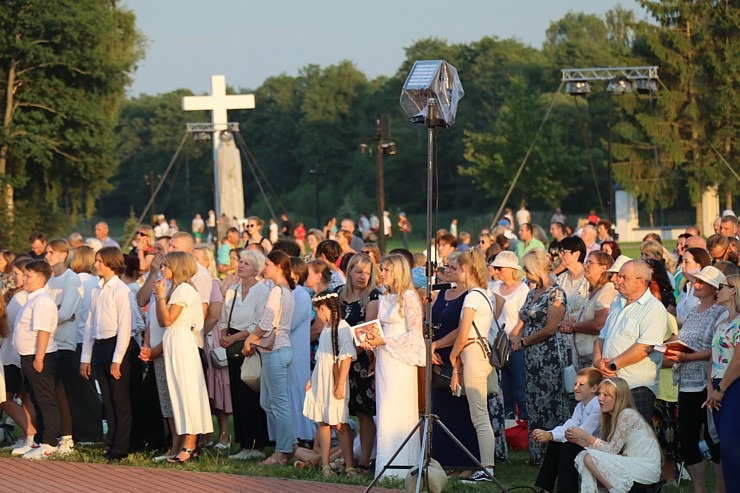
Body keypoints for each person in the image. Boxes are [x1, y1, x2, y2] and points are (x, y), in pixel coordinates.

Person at [360, 254, 425, 479]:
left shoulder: (408, 296)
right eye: (383, 269)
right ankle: (385, 466)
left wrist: (385, 341)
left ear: (398, 272)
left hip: (400, 359)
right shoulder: (386, 297)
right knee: (385, 410)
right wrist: (371, 340)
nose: (383, 273)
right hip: (384, 360)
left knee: (399, 409)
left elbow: (415, 334)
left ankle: (403, 466)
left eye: (388, 270)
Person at [664, 266, 726, 492]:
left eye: (702, 282)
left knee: (713, 439)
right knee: (687, 438)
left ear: (714, 288)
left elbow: (718, 348)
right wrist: (671, 347)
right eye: (696, 281)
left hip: (707, 381)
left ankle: (720, 488)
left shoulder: (720, 312)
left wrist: (687, 356)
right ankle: (700, 489)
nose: (696, 285)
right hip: (686, 382)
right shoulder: (692, 311)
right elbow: (684, 339)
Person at [151, 251, 212, 463]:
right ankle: (184, 442)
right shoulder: (175, 289)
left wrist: (159, 297)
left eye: (166, 266)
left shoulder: (184, 289)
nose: (162, 269)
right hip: (173, 340)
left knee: (187, 392)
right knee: (178, 392)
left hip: (182, 341)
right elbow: (161, 321)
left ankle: (190, 443)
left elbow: (167, 319)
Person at [448, 249, 502, 484]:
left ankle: (487, 467)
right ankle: (486, 465)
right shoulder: (483, 294)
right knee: (480, 414)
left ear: (465, 269)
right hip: (478, 354)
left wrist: (453, 356)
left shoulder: (472, 297)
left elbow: (463, 332)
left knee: (479, 415)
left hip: (474, 353)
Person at [511, 248, 569, 464]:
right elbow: (524, 320)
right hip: (531, 357)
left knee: (551, 404)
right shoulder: (531, 292)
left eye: (527, 269)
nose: (525, 273)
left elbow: (551, 328)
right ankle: (537, 454)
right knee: (534, 403)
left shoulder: (556, 293)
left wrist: (524, 341)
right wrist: (516, 337)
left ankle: (555, 453)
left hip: (549, 357)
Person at [593, 260, 667, 423]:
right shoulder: (617, 302)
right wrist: (598, 361)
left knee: (634, 437)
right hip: (611, 382)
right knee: (611, 434)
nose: (617, 280)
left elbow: (645, 347)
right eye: (619, 276)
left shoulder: (653, 308)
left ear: (640, 281)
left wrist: (613, 364)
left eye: (623, 277)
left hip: (635, 385)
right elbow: (602, 337)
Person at [45, 239, 102, 450]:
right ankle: (60, 434)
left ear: (64, 255)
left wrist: (49, 314)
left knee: (73, 389)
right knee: (55, 391)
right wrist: (54, 311)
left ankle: (78, 435)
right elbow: (51, 310)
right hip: (50, 341)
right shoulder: (49, 279)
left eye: (52, 252)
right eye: (46, 252)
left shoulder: (73, 280)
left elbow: (66, 312)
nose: (47, 256)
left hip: (69, 341)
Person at [80, 247, 135, 462]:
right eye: (96, 261)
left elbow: (125, 328)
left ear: (111, 263)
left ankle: (121, 447)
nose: (96, 265)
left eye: (100, 261)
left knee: (120, 400)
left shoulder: (121, 290)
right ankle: (111, 442)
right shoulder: (97, 289)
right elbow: (90, 324)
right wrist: (86, 358)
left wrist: (117, 360)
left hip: (116, 346)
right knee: (108, 401)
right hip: (100, 346)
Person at [242, 250, 296, 466]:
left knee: (278, 404)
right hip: (274, 351)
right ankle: (289, 445)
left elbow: (266, 322)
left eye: (267, 264)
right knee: (267, 401)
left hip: (276, 350)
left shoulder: (277, 291)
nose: (264, 268)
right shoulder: (285, 291)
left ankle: (282, 452)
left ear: (279, 267)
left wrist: (249, 340)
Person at [430, 254, 480, 474]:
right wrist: (430, 346)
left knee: (461, 410)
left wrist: (437, 345)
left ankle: (466, 463)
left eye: (452, 267)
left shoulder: (469, 295)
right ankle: (446, 461)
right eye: (446, 267)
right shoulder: (441, 293)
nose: (448, 270)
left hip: (457, 355)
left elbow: (462, 329)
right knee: (441, 409)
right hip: (437, 357)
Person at [219, 250, 270, 459]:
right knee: (237, 395)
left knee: (250, 390)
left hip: (249, 342)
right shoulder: (232, 289)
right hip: (232, 340)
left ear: (256, 269)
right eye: (240, 262)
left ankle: (256, 444)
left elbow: (258, 323)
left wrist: (236, 338)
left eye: (247, 263)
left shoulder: (262, 291)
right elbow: (224, 316)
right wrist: (224, 333)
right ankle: (243, 441)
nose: (241, 266)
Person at [569, 378, 661, 493]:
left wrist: (585, 436)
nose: (600, 398)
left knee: (589, 457)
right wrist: (578, 440)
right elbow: (607, 449)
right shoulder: (612, 417)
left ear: (619, 398)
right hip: (631, 461)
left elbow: (612, 450)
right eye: (599, 394)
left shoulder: (627, 414)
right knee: (590, 460)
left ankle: (615, 490)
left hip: (645, 468)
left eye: (606, 395)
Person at [302, 292, 357, 477]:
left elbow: (347, 357)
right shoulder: (326, 327)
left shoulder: (343, 327)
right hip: (322, 379)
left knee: (340, 424)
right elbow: (320, 358)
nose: (317, 314)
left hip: (334, 380)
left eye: (317, 311)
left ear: (323, 308)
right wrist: (312, 378)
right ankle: (325, 465)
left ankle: (349, 465)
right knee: (323, 422)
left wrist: (340, 384)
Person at [11, 261, 60, 459]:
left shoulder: (42, 301)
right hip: (28, 355)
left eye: (29, 276)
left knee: (45, 399)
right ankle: (39, 440)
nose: (25, 280)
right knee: (37, 399)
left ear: (41, 278)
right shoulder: (33, 299)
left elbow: (43, 332)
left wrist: (39, 358)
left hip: (39, 356)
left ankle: (50, 443)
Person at [336, 253, 379, 473]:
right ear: (349, 271)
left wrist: (349, 355)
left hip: (361, 360)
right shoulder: (338, 295)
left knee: (364, 411)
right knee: (340, 411)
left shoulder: (372, 296)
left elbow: (370, 332)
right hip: (339, 359)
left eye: (367, 272)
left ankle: (364, 461)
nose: (363, 277)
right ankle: (346, 459)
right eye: (359, 271)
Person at [534, 367, 603, 493]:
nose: (575, 388)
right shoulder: (580, 406)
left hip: (597, 446)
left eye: (581, 385)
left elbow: (581, 433)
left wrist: (550, 435)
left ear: (594, 388)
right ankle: (544, 488)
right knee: (555, 443)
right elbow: (569, 425)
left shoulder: (598, 406)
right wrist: (550, 435)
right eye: (575, 384)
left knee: (568, 448)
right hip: (582, 442)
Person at [704, 274, 740, 489]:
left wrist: (722, 388)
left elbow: (738, 359)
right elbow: (713, 357)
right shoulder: (722, 322)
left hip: (733, 385)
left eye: (722, 287)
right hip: (718, 385)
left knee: (731, 443)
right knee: (724, 444)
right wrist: (710, 387)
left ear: (734, 290)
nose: (717, 290)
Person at [193, 245, 230, 450]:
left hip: (210, 336)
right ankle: (205, 434)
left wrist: (198, 332)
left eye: (199, 259)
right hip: (200, 336)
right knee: (203, 389)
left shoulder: (213, 283)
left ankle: (223, 435)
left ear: (207, 263)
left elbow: (214, 314)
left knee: (217, 387)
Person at [2, 259, 38, 455]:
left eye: (16, 273)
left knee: (4, 397)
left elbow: (6, 326)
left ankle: (29, 431)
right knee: (24, 396)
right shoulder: (24, 297)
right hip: (18, 354)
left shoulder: (21, 298)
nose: (13, 277)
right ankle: (29, 436)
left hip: (12, 355)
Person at [490, 251, 530, 419]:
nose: (497, 271)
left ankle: (524, 425)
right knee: (503, 387)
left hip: (514, 343)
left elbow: (524, 316)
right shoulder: (494, 287)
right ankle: (509, 426)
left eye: (501, 268)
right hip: (497, 342)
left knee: (519, 386)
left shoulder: (522, 289)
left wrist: (517, 337)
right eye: (496, 268)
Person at [560, 252, 617, 369]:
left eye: (590, 263)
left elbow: (599, 325)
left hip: (593, 358)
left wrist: (574, 326)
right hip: (582, 357)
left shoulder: (608, 290)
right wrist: (567, 323)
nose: (585, 266)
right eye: (586, 262)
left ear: (603, 268)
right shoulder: (592, 292)